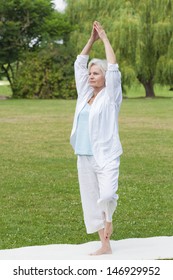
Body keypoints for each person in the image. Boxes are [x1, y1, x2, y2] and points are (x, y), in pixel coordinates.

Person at [70, 21, 123, 255]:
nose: (90, 76)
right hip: (84, 156)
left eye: (96, 73)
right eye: (90, 73)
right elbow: (79, 63)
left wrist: (104, 38)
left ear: (104, 77)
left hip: (106, 155)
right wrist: (91, 40)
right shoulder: (84, 94)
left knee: (107, 195)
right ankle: (105, 245)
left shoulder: (111, 97)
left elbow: (113, 67)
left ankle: (109, 218)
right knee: (92, 202)